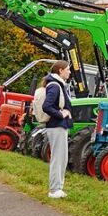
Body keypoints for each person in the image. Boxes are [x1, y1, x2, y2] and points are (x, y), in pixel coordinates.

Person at [42, 60, 74, 199]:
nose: (69, 72)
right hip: (56, 125)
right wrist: (61, 114)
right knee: (58, 158)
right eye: (67, 69)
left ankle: (58, 187)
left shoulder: (57, 84)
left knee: (62, 158)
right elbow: (47, 106)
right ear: (60, 70)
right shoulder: (55, 86)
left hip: (58, 125)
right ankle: (55, 189)